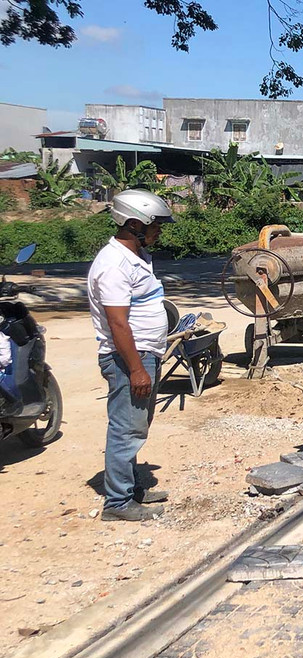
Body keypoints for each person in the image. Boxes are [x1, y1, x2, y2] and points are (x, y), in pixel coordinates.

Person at [88, 189, 174, 521]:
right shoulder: (113, 264)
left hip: (144, 354)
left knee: (136, 425)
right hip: (129, 358)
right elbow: (117, 322)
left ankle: (132, 488)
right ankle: (118, 503)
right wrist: (137, 369)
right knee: (126, 427)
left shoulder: (136, 257)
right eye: (155, 226)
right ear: (134, 223)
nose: (159, 232)